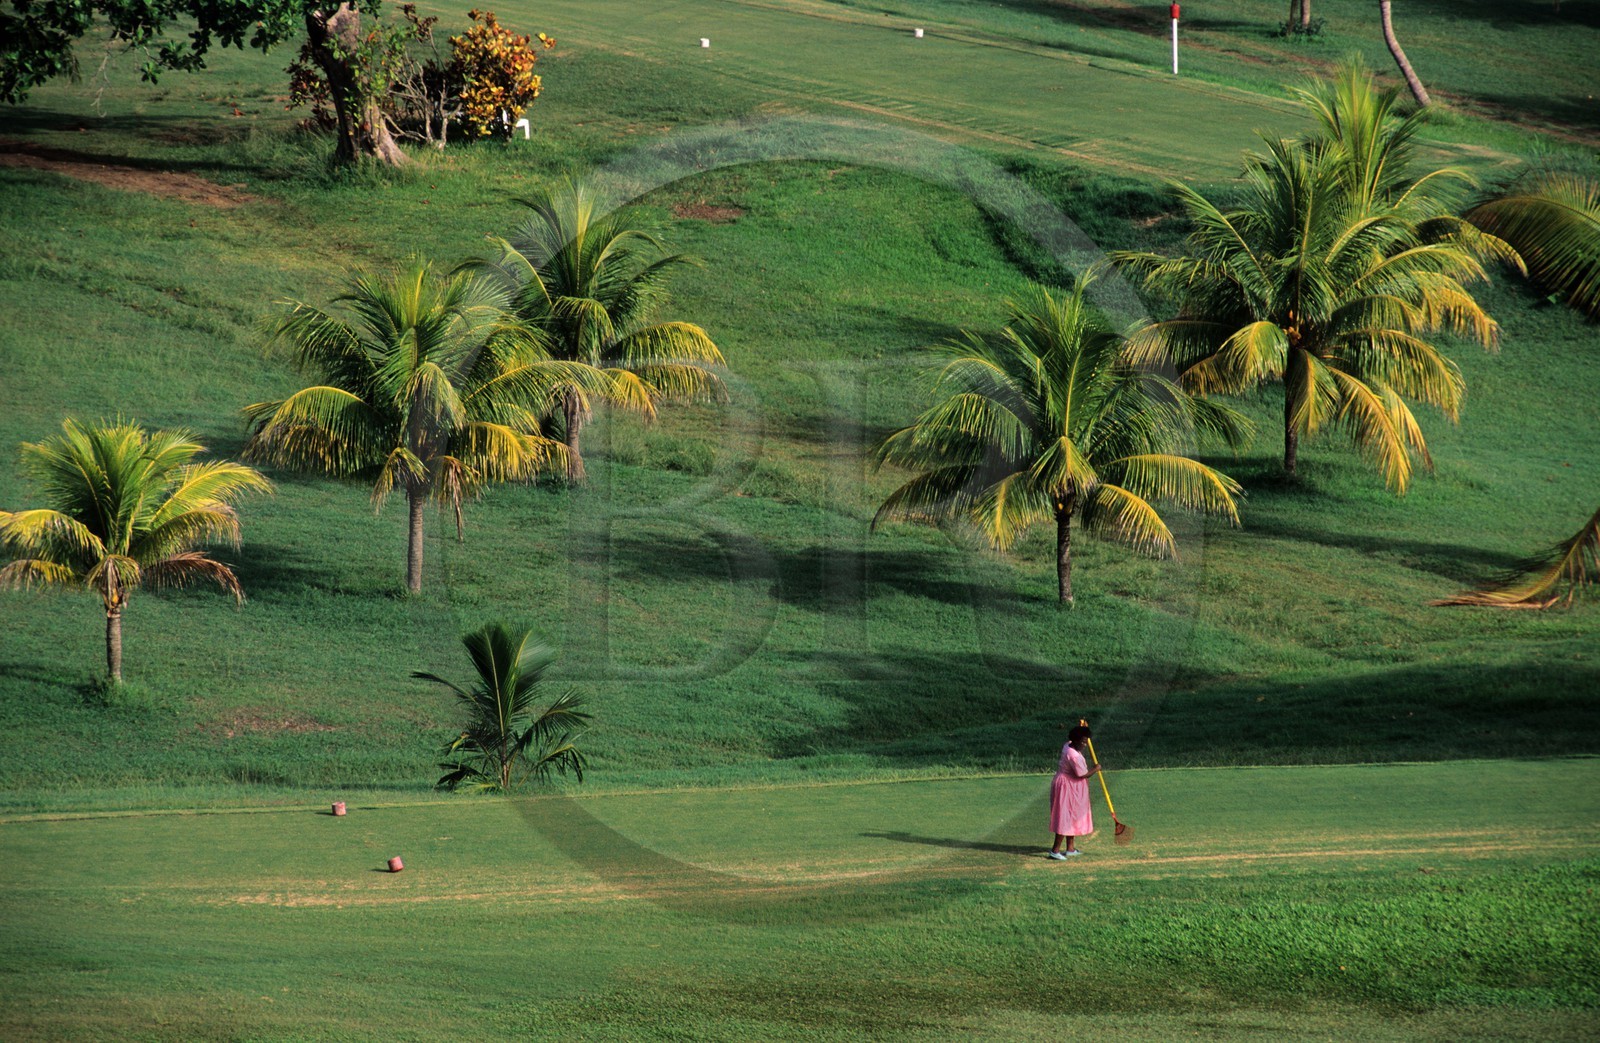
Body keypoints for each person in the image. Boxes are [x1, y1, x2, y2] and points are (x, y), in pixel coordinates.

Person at [1048, 724, 1099, 859]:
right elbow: (1082, 774)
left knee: (1073, 816)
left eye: (1086, 741)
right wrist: (1096, 768)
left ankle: (1070, 848)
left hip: (1071, 786)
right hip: (1067, 787)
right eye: (1082, 742)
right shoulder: (1073, 755)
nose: (1085, 745)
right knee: (1065, 817)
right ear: (1075, 740)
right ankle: (1055, 850)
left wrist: (1082, 729)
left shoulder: (1069, 744)